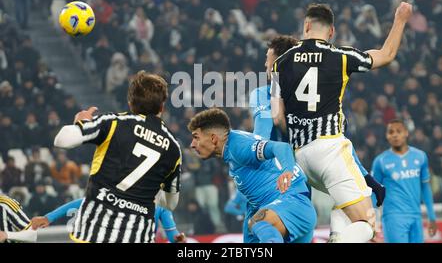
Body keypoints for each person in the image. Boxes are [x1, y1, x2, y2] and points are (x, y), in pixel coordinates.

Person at [270, 2, 413, 242]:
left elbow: (277, 116)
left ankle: (336, 236)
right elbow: (386, 55)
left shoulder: (279, 64)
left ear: (306, 26)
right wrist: (400, 19)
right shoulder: (341, 56)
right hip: (330, 149)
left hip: (300, 158)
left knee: (343, 204)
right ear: (331, 32)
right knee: (366, 222)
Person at [250, 35, 385, 242]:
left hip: (279, 177)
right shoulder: (315, 102)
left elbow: (261, 135)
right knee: (358, 223)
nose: (265, 64)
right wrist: (367, 177)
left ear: (279, 60)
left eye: (268, 58)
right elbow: (336, 143)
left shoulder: (263, 93)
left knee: (268, 232)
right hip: (297, 176)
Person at [53, 71, 182, 243]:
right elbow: (170, 203)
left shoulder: (113, 123)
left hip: (94, 232)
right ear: (162, 107)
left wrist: (81, 122)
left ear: (130, 102)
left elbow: (62, 140)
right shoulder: (173, 148)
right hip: (138, 236)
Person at [188, 108, 317, 243]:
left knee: (257, 222)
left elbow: (281, 147)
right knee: (253, 227)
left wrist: (287, 171)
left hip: (291, 206)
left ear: (213, 138)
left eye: (196, 137)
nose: (192, 144)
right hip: (286, 210)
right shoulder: (232, 148)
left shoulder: (237, 146)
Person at [371, 119, 437, 243]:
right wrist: (372, 221)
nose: (395, 135)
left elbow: (425, 188)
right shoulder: (380, 161)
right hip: (393, 217)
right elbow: (374, 193)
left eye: (398, 131)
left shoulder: (420, 156)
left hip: (416, 216)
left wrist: (431, 217)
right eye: (391, 132)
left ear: (406, 133)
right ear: (387, 135)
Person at [30, 199, 186, 243]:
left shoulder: (161, 206)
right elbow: (83, 202)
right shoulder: (123, 191)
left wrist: (180, 242)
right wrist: (48, 217)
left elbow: (174, 237)